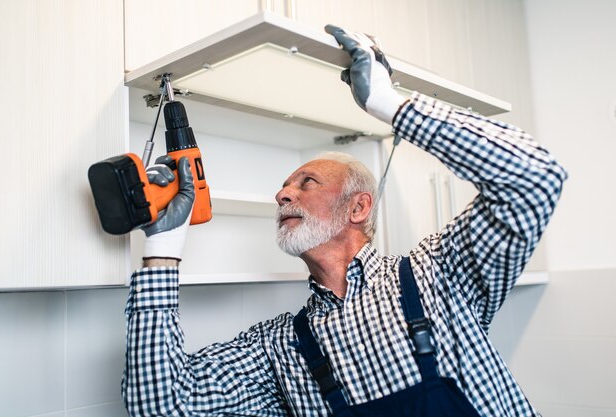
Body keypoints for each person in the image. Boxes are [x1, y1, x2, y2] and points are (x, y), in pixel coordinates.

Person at [122, 25, 567, 417]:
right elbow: (163, 404)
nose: (282, 194)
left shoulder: (438, 275)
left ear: (358, 208)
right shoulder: (281, 347)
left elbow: (535, 178)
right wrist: (164, 247)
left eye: (307, 181)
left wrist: (390, 105)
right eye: (283, 187)